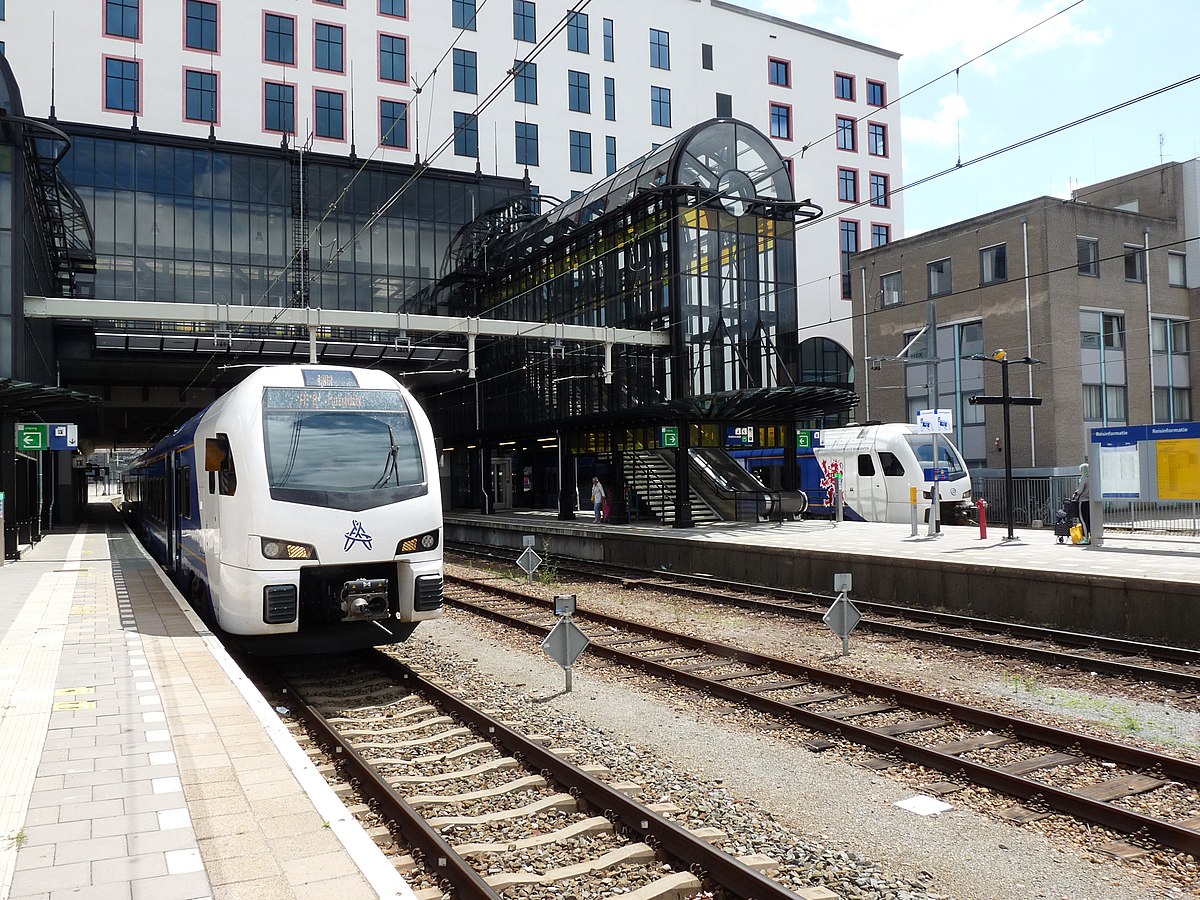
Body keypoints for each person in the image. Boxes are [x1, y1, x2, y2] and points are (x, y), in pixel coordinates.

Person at [1072, 462, 1091, 544]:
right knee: (1089, 520)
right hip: (1090, 501)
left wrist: (1075, 493)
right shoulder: (1091, 478)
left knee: (1083, 520)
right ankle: (1091, 537)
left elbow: (1080, 491)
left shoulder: (1083, 479)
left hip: (1083, 501)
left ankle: (1085, 538)